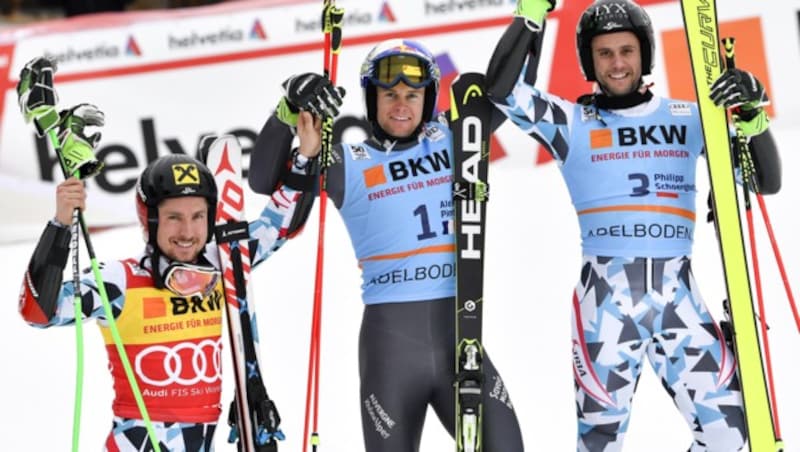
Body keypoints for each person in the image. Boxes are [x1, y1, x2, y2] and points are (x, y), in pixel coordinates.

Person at [485, 0, 782, 451]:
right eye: (604, 53)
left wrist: (751, 114)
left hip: (678, 300)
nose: (617, 63)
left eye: (626, 50)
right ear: (589, 61)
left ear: (644, 54)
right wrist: (530, 13)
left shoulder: (689, 119)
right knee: (600, 442)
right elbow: (501, 90)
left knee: (730, 433)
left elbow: (766, 181)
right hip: (605, 305)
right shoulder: (571, 122)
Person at [17, 58, 321, 451]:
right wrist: (61, 224)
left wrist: (305, 157)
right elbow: (37, 312)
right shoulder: (119, 282)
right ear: (150, 220)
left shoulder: (224, 265)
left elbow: (280, 225)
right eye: (173, 217)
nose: (188, 231)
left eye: (198, 217)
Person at [248, 40, 524, 451]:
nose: (401, 105)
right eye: (389, 93)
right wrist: (287, 110)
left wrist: (530, 18)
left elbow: (512, 89)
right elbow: (262, 181)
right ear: (370, 98)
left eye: (412, 95)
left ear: (427, 98)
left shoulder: (453, 136)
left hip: (460, 338)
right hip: (391, 348)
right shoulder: (344, 161)